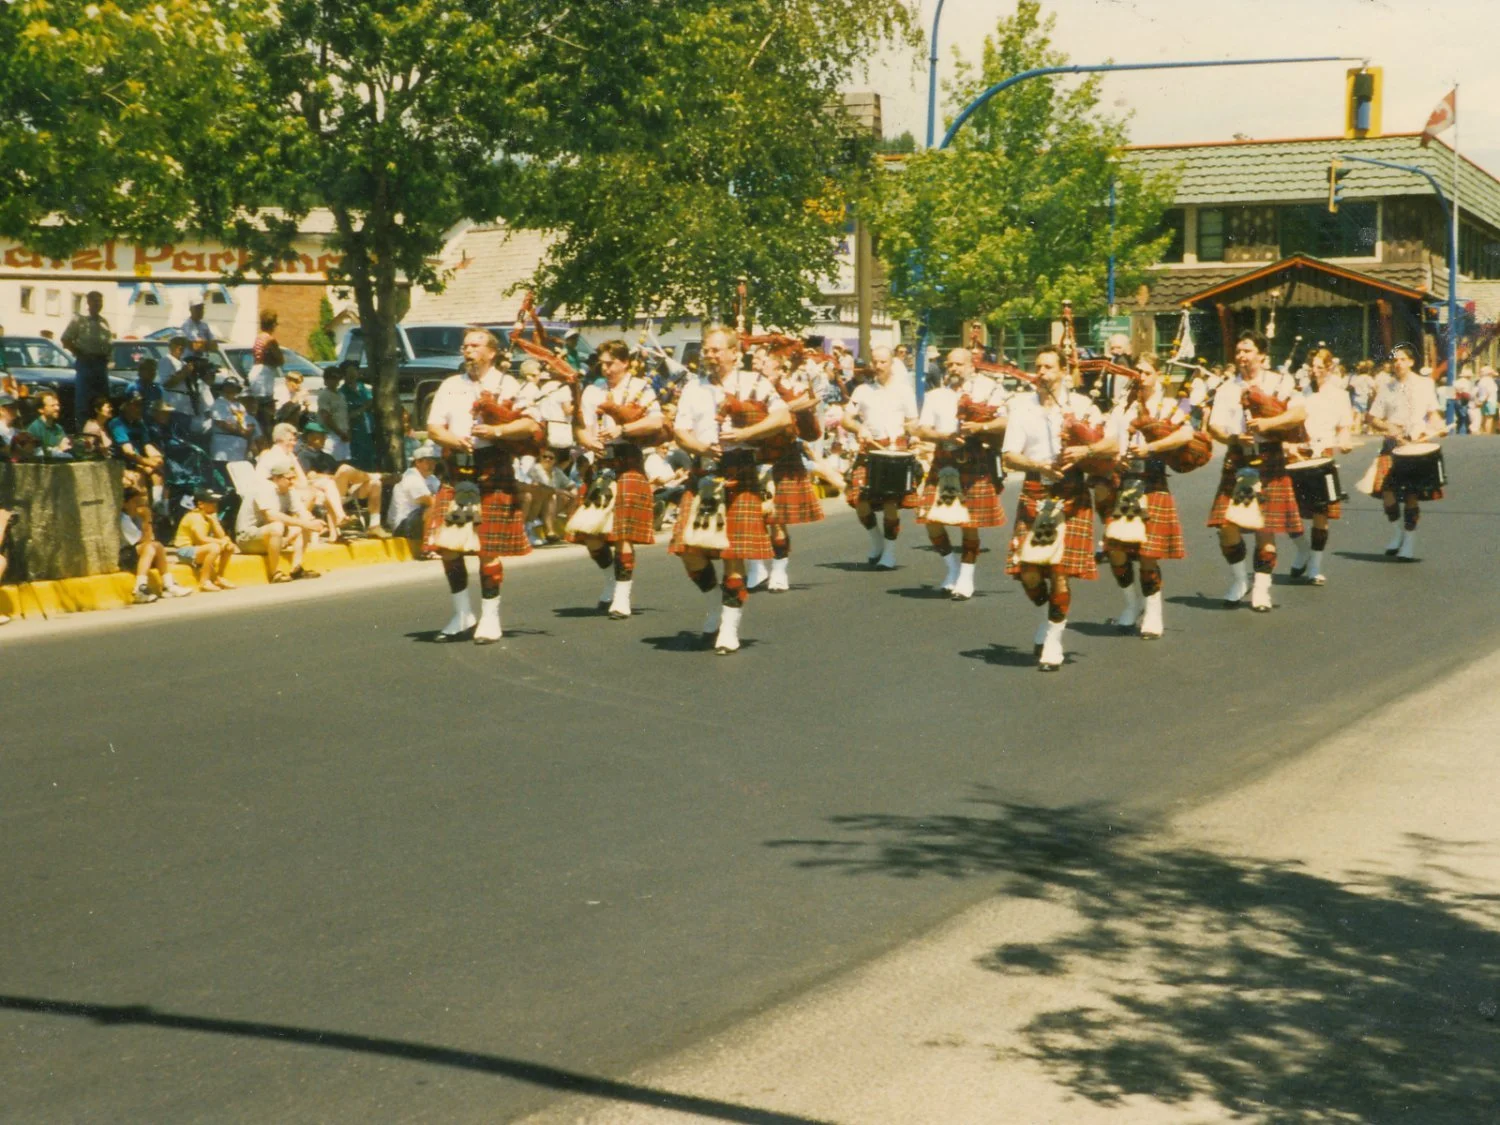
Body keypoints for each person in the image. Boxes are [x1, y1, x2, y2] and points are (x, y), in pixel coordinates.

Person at [668, 325, 789, 654]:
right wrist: (702, 448)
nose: (709, 355)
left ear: (735, 353)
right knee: (689, 551)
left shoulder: (755, 383)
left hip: (741, 472)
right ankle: (715, 605)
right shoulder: (694, 387)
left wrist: (746, 433)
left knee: (732, 555)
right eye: (706, 350)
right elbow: (680, 432)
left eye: (716, 349)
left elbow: (782, 417)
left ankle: (729, 629)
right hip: (705, 472)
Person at [423, 328, 543, 644]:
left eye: (475, 345)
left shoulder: (508, 384)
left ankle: (490, 618)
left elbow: (531, 424)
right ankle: (462, 613)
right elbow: (434, 428)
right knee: (448, 548)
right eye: (464, 346)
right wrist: (455, 439)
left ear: (492, 352)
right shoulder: (450, 386)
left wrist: (497, 432)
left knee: (487, 549)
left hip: (492, 470)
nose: (467, 350)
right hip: (457, 470)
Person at [1000, 345, 1099, 671]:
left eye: (1048, 367)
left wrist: (1085, 452)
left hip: (1071, 492)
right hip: (1034, 490)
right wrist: (1038, 465)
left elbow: (1110, 443)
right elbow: (1009, 456)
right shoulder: (1021, 407)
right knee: (1029, 572)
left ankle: (1054, 639)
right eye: (1037, 366)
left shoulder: (1081, 405)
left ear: (1062, 371)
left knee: (1058, 573)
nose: (1040, 373)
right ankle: (1048, 615)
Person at [1205, 329, 1306, 612]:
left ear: (1262, 355)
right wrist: (1233, 438)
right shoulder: (1227, 388)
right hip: (1239, 458)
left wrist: (1268, 425)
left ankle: (1262, 588)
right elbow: (1215, 427)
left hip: (1269, 457)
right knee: (1227, 526)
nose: (1241, 356)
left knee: (1265, 527)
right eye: (1238, 351)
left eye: (1247, 351)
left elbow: (1299, 413)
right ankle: (1240, 580)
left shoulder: (1280, 382)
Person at [1099, 353, 1193, 639]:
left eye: (1146, 372)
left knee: (1148, 554)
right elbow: (1111, 440)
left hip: (1152, 480)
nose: (1140, 377)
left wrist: (1152, 448)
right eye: (1136, 372)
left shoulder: (1166, 406)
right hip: (1123, 479)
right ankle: (1132, 604)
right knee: (1116, 551)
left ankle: (1153, 612)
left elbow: (1186, 434)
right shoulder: (1121, 407)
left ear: (1156, 375)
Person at [574, 338, 665, 619]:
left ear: (624, 362)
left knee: (623, 533)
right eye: (602, 362)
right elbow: (579, 427)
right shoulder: (592, 389)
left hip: (629, 460)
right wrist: (588, 442)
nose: (605, 367)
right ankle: (611, 580)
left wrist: (623, 429)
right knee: (590, 535)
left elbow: (657, 421)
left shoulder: (640, 387)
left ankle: (622, 598)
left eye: (610, 363)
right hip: (602, 463)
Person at [912, 348, 1007, 600]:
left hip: (974, 460)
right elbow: (922, 430)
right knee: (931, 520)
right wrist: (944, 436)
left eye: (958, 364)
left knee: (969, 523)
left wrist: (980, 426)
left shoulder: (987, 389)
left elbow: (1005, 421)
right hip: (944, 459)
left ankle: (966, 578)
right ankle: (952, 568)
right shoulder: (935, 396)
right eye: (949, 364)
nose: (953, 368)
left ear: (970, 366)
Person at [841, 345, 918, 569]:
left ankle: (890, 554)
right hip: (869, 450)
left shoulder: (904, 391)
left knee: (890, 501)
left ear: (892, 363)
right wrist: (858, 429)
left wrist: (912, 436)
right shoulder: (862, 391)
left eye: (883, 362)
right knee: (859, 501)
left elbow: (913, 420)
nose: (877, 366)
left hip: (895, 449)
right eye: (875, 362)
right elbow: (847, 419)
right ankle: (877, 542)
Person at [1366, 342, 1445, 562]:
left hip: (1415, 444)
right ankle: (1397, 532)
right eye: (1395, 360)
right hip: (1392, 444)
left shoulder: (1424, 385)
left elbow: (1433, 413)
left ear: (1411, 361)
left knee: (1411, 494)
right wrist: (1388, 428)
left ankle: (1409, 542)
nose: (1398, 363)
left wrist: (1437, 426)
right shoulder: (1386, 387)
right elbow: (1371, 418)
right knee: (1386, 493)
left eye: (1402, 359)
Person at [755, 346, 824, 593]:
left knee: (775, 520)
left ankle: (779, 569)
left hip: (782, 461)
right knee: (750, 518)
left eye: (762, 363)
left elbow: (812, 434)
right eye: (754, 362)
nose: (756, 367)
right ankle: (756, 568)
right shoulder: (746, 391)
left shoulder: (792, 393)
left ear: (779, 369)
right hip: (750, 460)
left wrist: (803, 411)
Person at [1286, 348, 1353, 586]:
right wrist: (1290, 445)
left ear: (1330, 368)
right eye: (1312, 367)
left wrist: (1344, 440)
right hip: (1299, 454)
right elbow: (1291, 424)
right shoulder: (1299, 393)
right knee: (1288, 512)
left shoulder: (1340, 395)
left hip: (1323, 455)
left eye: (1320, 368)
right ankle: (1302, 549)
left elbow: (1344, 426)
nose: (1315, 372)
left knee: (1320, 513)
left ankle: (1314, 565)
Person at [294, 422, 389, 538]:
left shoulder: (326, 457)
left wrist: (344, 478)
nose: (324, 439)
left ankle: (374, 525)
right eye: (320, 435)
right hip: (323, 493)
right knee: (344, 469)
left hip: (342, 490)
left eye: (324, 436)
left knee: (376, 484)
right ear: (309, 437)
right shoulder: (304, 455)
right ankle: (371, 475)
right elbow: (311, 477)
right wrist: (335, 478)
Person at [235, 462, 325, 581]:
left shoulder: (289, 490)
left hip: (271, 537)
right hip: (247, 538)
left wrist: (313, 523)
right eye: (289, 478)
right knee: (278, 526)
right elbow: (271, 516)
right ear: (276, 478)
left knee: (303, 525)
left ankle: (296, 569)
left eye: (293, 478)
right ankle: (275, 573)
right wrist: (305, 523)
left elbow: (302, 513)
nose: (292, 482)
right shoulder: (263, 488)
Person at [119, 487, 191, 602]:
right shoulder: (123, 519)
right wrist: (146, 519)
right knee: (150, 547)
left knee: (157, 545)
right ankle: (140, 587)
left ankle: (168, 585)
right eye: (135, 502)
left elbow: (151, 539)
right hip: (125, 556)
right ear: (125, 504)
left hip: (140, 553)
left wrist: (146, 520)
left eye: (139, 502)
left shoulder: (136, 517)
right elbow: (142, 541)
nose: (138, 506)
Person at [59, 290, 112, 429]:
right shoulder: (80, 320)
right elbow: (65, 339)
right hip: (86, 364)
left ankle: (100, 433)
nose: (98, 304)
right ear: (88, 302)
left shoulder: (103, 322)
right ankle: (83, 434)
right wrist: (79, 353)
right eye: (94, 301)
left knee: (102, 401)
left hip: (101, 365)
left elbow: (108, 344)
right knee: (84, 401)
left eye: (100, 301)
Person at [172, 487, 237, 591]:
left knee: (229, 547)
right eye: (211, 502)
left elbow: (222, 536)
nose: (215, 505)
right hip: (185, 551)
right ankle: (204, 581)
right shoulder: (195, 517)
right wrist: (222, 541)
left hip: (199, 549)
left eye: (215, 502)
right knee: (214, 548)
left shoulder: (209, 517)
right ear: (201, 504)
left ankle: (219, 577)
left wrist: (215, 521)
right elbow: (202, 539)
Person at [389, 442, 441, 544]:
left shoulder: (432, 478)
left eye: (434, 462)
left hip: (415, 520)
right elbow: (431, 502)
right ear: (417, 462)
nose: (432, 465)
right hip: (403, 525)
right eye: (428, 462)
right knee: (434, 506)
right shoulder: (411, 477)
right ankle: (428, 547)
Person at [248, 311, 284, 432]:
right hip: (265, 374)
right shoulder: (270, 340)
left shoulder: (258, 337)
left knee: (257, 409)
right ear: (272, 324)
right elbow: (280, 359)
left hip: (256, 371)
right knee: (266, 409)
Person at [208, 375, 256, 464]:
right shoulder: (219, 403)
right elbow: (222, 424)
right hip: (224, 447)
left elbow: (249, 424)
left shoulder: (240, 406)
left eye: (233, 386)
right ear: (223, 388)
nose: (230, 389)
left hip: (240, 448)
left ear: (237, 389)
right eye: (228, 386)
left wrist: (248, 433)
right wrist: (243, 432)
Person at [317, 364, 354, 463]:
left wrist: (347, 431)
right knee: (333, 462)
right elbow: (326, 416)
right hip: (331, 434)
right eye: (331, 378)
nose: (334, 381)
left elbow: (345, 414)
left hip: (344, 433)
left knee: (346, 462)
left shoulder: (341, 395)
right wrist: (339, 433)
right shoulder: (324, 395)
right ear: (326, 380)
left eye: (336, 378)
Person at [25, 391, 73, 459]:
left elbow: (65, 446)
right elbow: (35, 455)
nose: (57, 408)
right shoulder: (34, 429)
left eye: (58, 405)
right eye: (52, 406)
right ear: (41, 409)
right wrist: (58, 449)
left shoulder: (58, 428)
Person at [1476, 365, 1498, 435]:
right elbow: (1489, 392)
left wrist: (1481, 401)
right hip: (1490, 401)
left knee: (1483, 417)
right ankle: (1487, 433)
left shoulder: (1481, 381)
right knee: (1489, 418)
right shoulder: (1490, 381)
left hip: (1482, 400)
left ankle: (1483, 431)